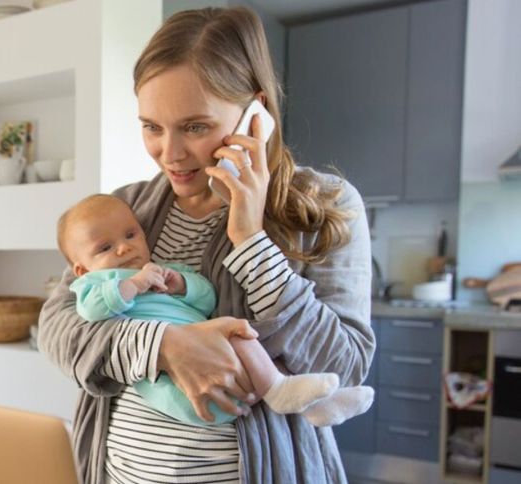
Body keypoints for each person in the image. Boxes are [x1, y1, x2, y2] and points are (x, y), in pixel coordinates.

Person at [38, 6, 374, 484]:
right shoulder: (126, 209)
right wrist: (162, 344)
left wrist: (251, 241)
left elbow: (345, 366)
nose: (169, 154)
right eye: (152, 126)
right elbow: (56, 326)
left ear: (254, 114)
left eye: (195, 127)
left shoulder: (326, 206)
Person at [57, 193, 373, 428]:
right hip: (171, 385)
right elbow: (88, 311)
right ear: (81, 269)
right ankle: (278, 391)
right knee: (235, 345)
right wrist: (158, 335)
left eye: (131, 235)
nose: (123, 248)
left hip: (221, 359)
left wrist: (182, 284)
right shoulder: (95, 283)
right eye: (105, 248)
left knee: (242, 331)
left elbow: (206, 298)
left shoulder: (159, 269)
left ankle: (313, 403)